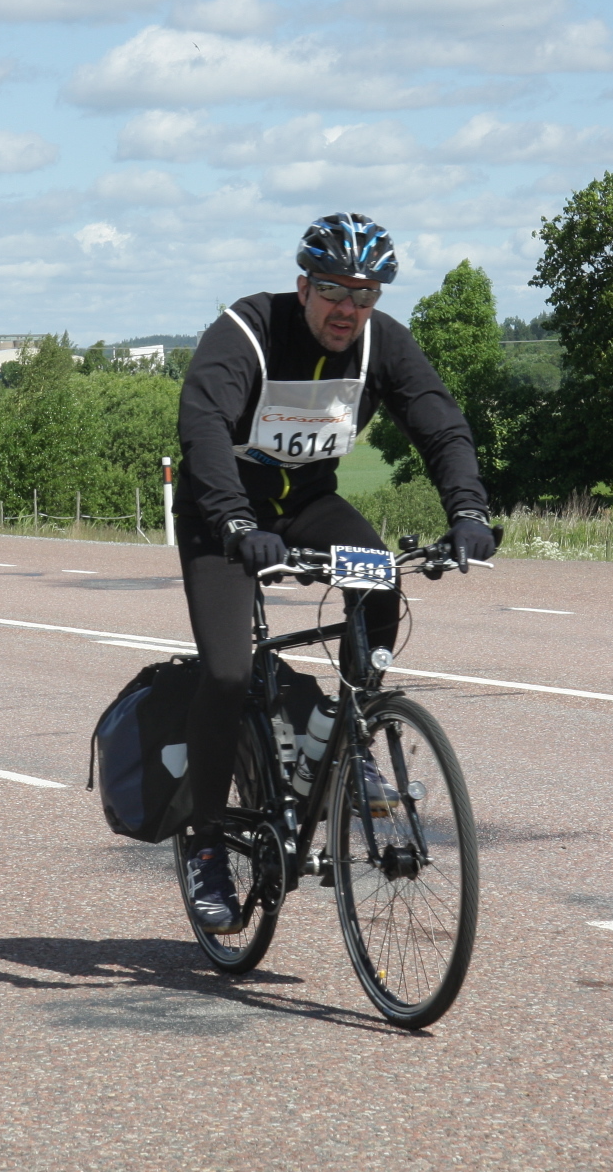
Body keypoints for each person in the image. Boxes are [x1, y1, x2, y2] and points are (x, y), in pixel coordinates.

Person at [172, 211, 496, 934]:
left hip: (309, 505)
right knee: (226, 672)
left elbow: (440, 424)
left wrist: (468, 511)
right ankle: (205, 843)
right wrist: (236, 523)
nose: (348, 308)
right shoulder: (248, 330)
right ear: (304, 287)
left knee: (381, 578)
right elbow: (203, 428)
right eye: (333, 291)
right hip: (221, 517)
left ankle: (352, 730)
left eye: (366, 293)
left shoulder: (383, 343)